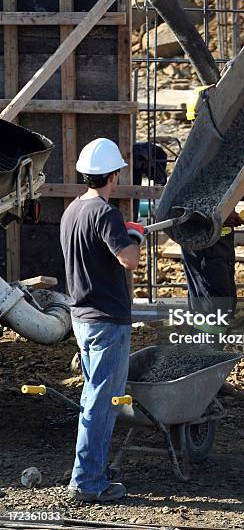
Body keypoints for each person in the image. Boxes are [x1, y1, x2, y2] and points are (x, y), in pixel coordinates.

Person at [60, 138, 143, 503]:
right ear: (112, 175)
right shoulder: (105, 214)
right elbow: (129, 260)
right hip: (107, 319)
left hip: (82, 317)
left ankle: (91, 468)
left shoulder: (72, 211)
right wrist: (135, 236)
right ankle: (88, 481)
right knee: (101, 403)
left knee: (93, 398)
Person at [182, 189, 244, 338]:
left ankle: (211, 345)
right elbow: (190, 196)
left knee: (225, 298)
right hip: (204, 241)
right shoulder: (197, 167)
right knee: (213, 300)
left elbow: (225, 186)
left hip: (219, 238)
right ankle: (206, 349)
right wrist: (222, 214)